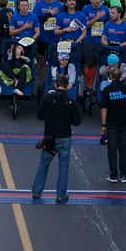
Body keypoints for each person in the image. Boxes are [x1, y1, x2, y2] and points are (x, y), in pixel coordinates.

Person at [32, 75, 81, 203]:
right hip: (64, 137)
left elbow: (40, 116)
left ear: (55, 84)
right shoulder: (70, 100)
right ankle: (61, 195)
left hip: (50, 137)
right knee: (63, 167)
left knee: (43, 164)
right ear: (67, 86)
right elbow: (77, 121)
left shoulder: (47, 98)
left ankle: (36, 192)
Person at [100, 66, 126, 183]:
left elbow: (104, 108)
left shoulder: (107, 90)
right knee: (124, 149)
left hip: (111, 124)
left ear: (110, 76)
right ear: (120, 77)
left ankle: (113, 175)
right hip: (125, 123)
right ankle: (124, 175)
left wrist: (103, 124)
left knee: (112, 149)